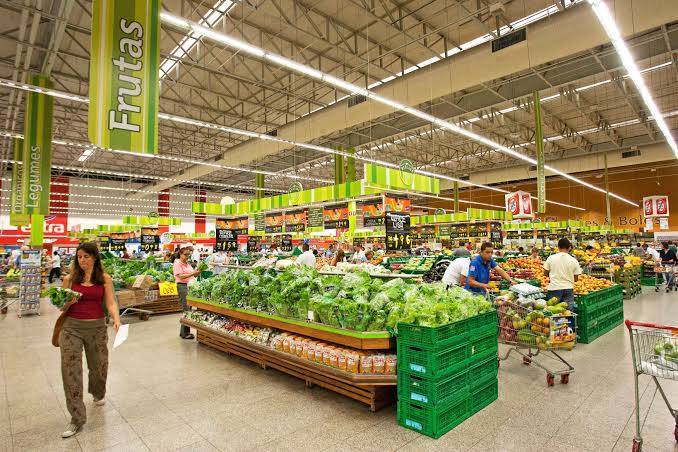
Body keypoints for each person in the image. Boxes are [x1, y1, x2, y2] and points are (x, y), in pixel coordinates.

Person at [59, 242, 121, 438]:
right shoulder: (69, 279)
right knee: (70, 372)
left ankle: (98, 392)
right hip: (71, 329)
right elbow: (61, 306)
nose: (82, 260)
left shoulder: (104, 279)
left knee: (99, 367)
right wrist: (68, 301)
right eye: (79, 257)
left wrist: (116, 318)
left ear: (95, 257)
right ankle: (76, 418)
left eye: (86, 256)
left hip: (96, 328)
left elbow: (110, 302)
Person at [542, 238, 582, 309]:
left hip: (554, 288)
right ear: (569, 248)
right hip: (568, 289)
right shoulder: (574, 260)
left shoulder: (551, 258)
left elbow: (545, 273)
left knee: (553, 312)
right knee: (568, 313)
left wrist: (553, 275)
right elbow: (575, 279)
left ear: (558, 247)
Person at [174, 244, 201, 339]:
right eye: (185, 254)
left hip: (189, 286)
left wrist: (197, 272)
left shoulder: (187, 264)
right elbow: (180, 276)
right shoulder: (177, 263)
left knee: (188, 309)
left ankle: (184, 332)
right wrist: (193, 273)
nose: (187, 256)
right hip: (182, 287)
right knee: (186, 309)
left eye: (188, 255)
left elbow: (192, 275)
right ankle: (185, 333)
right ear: (180, 254)